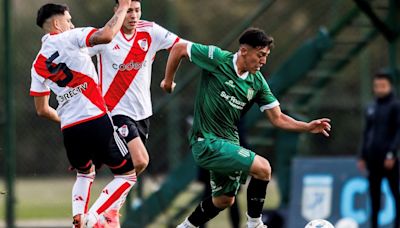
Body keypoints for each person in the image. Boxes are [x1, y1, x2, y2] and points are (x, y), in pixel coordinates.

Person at [160, 28, 331, 228]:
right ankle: (255, 224)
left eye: (266, 56)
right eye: (260, 55)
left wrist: (307, 127)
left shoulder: (257, 82)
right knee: (264, 168)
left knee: (224, 200)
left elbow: (278, 118)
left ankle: (185, 227)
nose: (263, 61)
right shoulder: (217, 59)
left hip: (229, 142)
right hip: (206, 141)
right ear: (243, 51)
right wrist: (168, 80)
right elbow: (179, 48)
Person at [30, 2, 136, 227]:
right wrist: (123, 7)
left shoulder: (37, 63)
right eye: (68, 20)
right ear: (57, 23)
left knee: (85, 173)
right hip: (96, 119)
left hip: (69, 129)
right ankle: (93, 217)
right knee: (128, 175)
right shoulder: (70, 37)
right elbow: (106, 35)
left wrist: (66, 117)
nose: (72, 23)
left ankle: (79, 217)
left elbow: (42, 109)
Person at [89, 0, 181, 176]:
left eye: (137, 11)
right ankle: (108, 198)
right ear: (117, 10)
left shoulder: (151, 31)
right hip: (115, 112)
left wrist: (169, 80)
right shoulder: (105, 36)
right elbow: (76, 54)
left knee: (131, 170)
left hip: (142, 113)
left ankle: (112, 198)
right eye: (129, 11)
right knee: (140, 160)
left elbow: (181, 47)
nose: (133, 16)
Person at [358, 71, 400, 228]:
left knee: (395, 194)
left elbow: (398, 131)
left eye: (383, 86)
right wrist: (362, 155)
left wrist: (392, 153)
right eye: (377, 86)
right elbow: (366, 132)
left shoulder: (395, 106)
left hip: (389, 160)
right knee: (374, 197)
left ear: (390, 86)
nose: (380, 89)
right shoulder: (371, 107)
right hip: (372, 159)